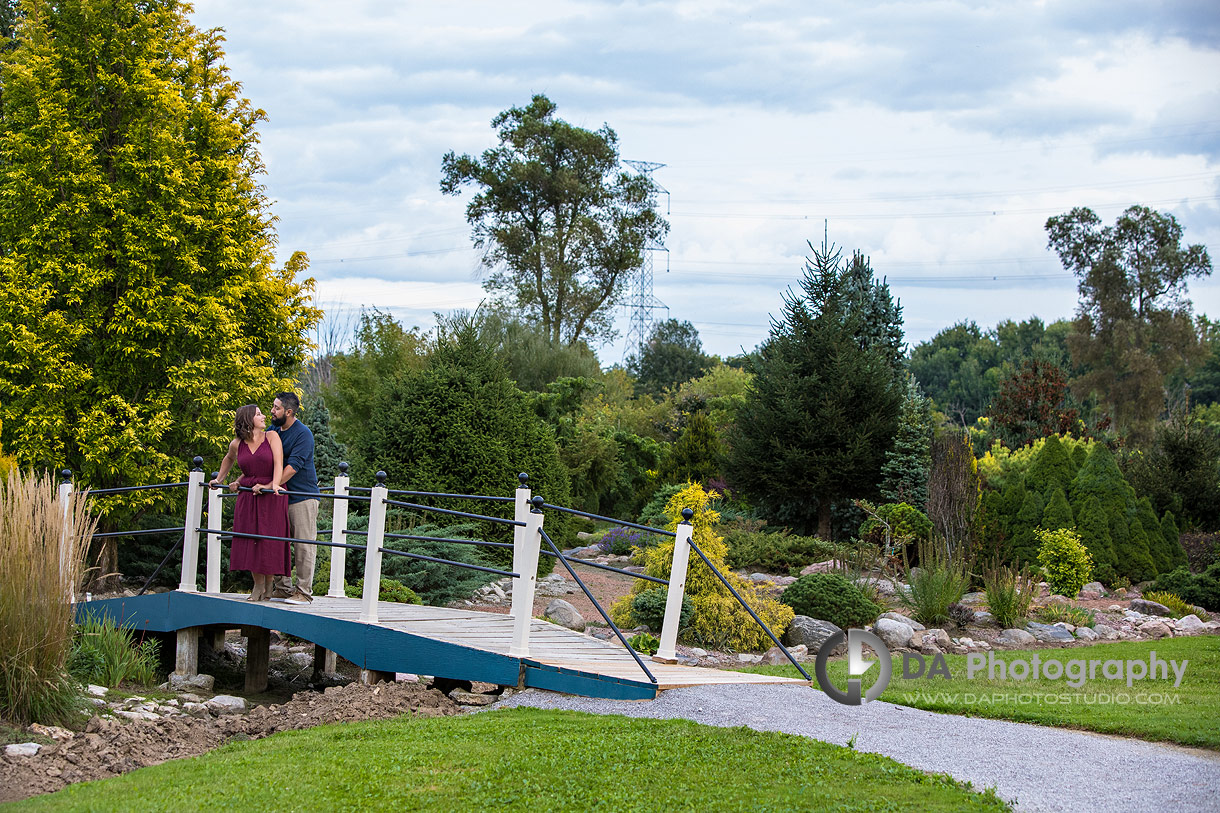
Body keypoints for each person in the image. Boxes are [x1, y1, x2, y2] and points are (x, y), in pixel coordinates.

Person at [212, 404, 289, 601]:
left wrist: (272, 485)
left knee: (269, 540)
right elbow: (228, 459)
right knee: (250, 540)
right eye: (258, 414)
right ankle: (258, 585)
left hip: (271, 496)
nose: (264, 416)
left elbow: (279, 464)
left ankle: (269, 584)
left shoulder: (272, 437)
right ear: (248, 419)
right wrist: (219, 480)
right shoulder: (237, 443)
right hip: (248, 496)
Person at [269, 391, 320, 604]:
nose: (272, 411)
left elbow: (293, 467)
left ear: (288, 412)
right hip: (279, 495)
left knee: (303, 544)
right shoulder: (273, 430)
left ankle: (304, 592)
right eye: (272, 407)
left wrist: (271, 484)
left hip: (302, 496)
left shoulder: (303, 434)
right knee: (279, 543)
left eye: (276, 408)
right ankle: (282, 588)